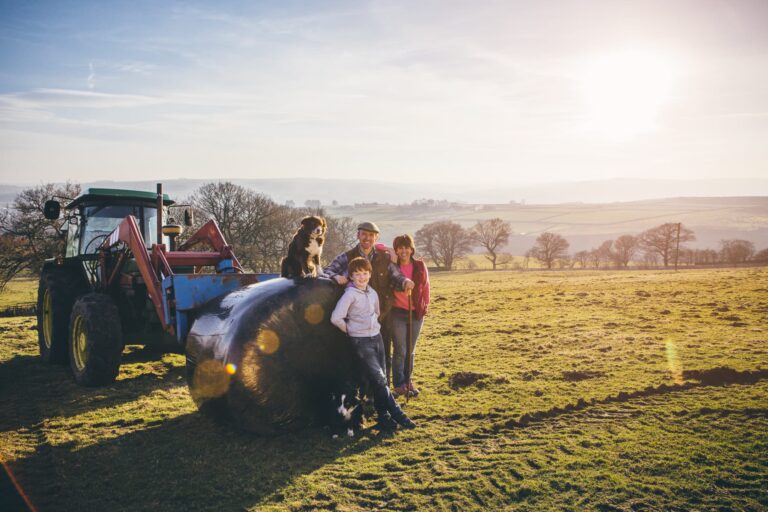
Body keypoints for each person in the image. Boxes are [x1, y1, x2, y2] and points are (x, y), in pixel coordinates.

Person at [330, 257, 416, 430]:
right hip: (361, 342)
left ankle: (383, 418)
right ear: (351, 276)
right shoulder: (349, 295)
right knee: (380, 379)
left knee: (380, 380)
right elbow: (336, 318)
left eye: (365, 273)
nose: (362, 277)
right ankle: (399, 416)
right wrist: (350, 330)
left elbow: (376, 312)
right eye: (357, 274)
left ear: (370, 274)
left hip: (376, 338)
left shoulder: (372, 293)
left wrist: (373, 327)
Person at [324, 221, 414, 384]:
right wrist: (335, 277)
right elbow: (326, 271)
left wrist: (406, 282)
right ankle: (362, 390)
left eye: (371, 235)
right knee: (357, 355)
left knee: (384, 354)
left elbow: (397, 275)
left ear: (376, 238)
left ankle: (382, 388)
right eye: (364, 234)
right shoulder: (347, 256)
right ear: (358, 235)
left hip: (381, 317)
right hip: (356, 319)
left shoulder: (385, 258)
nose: (367, 238)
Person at [389, 234, 430, 397]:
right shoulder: (392, 266)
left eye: (407, 247)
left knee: (410, 351)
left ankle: (408, 381)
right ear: (396, 250)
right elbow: (379, 247)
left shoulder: (420, 265)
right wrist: (389, 251)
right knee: (400, 350)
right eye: (400, 248)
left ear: (412, 249)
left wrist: (424, 306)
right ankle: (399, 384)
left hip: (416, 313)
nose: (403, 251)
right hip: (397, 313)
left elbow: (426, 287)